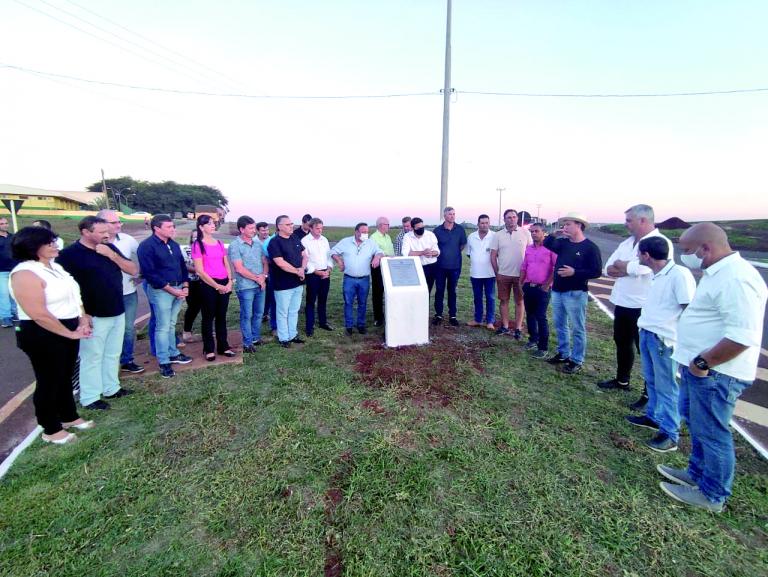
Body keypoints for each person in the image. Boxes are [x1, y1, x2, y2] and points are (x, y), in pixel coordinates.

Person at [658, 223, 767, 512]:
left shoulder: (737, 278)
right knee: (697, 425)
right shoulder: (717, 273)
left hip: (717, 373)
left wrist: (704, 362)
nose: (685, 256)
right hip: (702, 370)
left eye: (688, 251)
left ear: (706, 248)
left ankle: (713, 494)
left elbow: (743, 336)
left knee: (713, 432)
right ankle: (696, 474)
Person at [9, 227, 94, 444]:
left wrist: (83, 319)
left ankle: (69, 416)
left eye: (54, 241)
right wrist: (69, 333)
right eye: (49, 243)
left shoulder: (55, 267)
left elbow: (75, 297)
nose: (55, 245)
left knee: (65, 375)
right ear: (32, 247)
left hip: (68, 325)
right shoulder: (25, 273)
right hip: (41, 332)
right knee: (48, 379)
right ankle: (50, 427)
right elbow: (38, 313)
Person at [57, 216, 137, 410]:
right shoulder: (70, 255)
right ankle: (90, 397)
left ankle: (111, 388)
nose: (107, 234)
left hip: (117, 309)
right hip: (93, 314)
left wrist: (112, 255)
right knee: (92, 356)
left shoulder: (109, 248)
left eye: (107, 231)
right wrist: (82, 314)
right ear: (86, 232)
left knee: (112, 353)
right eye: (101, 232)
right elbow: (65, 288)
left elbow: (133, 269)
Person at [624, 236, 695, 453]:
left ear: (646, 255)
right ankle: (653, 416)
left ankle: (670, 434)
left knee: (667, 387)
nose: (637, 257)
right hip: (648, 332)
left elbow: (689, 310)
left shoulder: (679, 275)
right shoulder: (658, 275)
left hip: (664, 339)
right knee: (652, 381)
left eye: (639, 253)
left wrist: (687, 343)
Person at [600, 205, 673, 405]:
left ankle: (649, 395)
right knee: (622, 342)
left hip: (645, 305)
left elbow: (645, 270)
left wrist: (626, 267)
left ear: (643, 220)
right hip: (623, 302)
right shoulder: (627, 243)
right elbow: (608, 268)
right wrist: (628, 268)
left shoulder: (661, 242)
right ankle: (622, 379)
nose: (626, 224)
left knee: (647, 352)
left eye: (629, 220)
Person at [543, 213, 602, 375]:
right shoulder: (563, 243)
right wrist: (554, 234)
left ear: (579, 225)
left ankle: (577, 360)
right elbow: (548, 243)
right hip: (558, 291)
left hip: (575, 293)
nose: (565, 227)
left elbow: (596, 271)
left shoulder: (590, 247)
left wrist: (574, 272)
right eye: (564, 224)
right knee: (560, 324)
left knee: (577, 327)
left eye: (568, 224)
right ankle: (563, 353)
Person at [137, 215, 193, 378]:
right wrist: (171, 290)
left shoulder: (173, 245)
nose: (172, 229)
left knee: (171, 324)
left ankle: (173, 353)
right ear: (157, 228)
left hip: (178, 288)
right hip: (162, 291)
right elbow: (149, 273)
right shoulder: (147, 246)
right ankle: (164, 361)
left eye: (173, 226)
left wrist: (185, 285)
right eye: (169, 227)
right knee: (162, 326)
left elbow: (182, 267)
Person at [97, 210, 144, 374]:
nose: (119, 225)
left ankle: (127, 360)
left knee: (128, 328)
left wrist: (141, 275)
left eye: (119, 222)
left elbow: (143, 255)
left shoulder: (127, 240)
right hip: (103, 295)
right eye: (114, 222)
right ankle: (106, 363)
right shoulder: (92, 244)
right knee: (104, 329)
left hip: (128, 292)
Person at [191, 214, 235, 361]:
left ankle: (224, 346)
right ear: (201, 227)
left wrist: (229, 281)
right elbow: (200, 271)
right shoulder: (198, 245)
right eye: (209, 223)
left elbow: (226, 264)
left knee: (221, 317)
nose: (213, 225)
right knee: (208, 317)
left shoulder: (219, 243)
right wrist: (216, 286)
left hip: (224, 282)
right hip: (209, 284)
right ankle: (208, 349)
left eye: (213, 223)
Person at [332, 223, 383, 335]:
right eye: (363, 232)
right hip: (349, 279)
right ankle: (349, 326)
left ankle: (361, 325)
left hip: (364, 279)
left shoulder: (370, 243)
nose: (365, 234)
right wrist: (339, 261)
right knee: (348, 302)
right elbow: (333, 251)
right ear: (356, 232)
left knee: (362, 303)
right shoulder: (346, 242)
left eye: (367, 232)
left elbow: (380, 251)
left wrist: (377, 257)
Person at [229, 215, 269, 352]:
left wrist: (263, 276)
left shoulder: (258, 243)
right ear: (241, 229)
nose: (254, 230)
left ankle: (255, 338)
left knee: (259, 313)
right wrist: (257, 278)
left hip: (260, 284)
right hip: (246, 286)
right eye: (251, 228)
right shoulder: (235, 246)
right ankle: (247, 343)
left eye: (254, 227)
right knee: (247, 314)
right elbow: (239, 268)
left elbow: (265, 261)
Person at [490, 209, 532, 338]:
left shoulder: (525, 233)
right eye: (509, 217)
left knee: (519, 301)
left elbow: (530, 253)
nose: (512, 219)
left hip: (520, 275)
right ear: (504, 219)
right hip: (503, 274)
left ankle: (518, 328)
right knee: (504, 301)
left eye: (514, 217)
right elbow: (493, 255)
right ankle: (505, 326)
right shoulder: (498, 235)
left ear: (517, 219)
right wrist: (497, 273)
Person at [268, 215, 307, 347]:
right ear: (279, 226)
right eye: (288, 224)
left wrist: (302, 268)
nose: (292, 226)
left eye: (292, 224)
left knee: (294, 310)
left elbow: (304, 255)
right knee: (282, 311)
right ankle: (283, 338)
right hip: (283, 284)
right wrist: (298, 271)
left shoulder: (295, 238)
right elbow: (280, 263)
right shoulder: (274, 242)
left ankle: (293, 334)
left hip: (298, 282)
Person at [519, 223, 557, 358]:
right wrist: (521, 283)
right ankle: (532, 340)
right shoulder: (528, 249)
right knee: (530, 314)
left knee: (541, 316)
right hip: (529, 286)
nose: (534, 233)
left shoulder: (550, 249)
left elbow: (555, 268)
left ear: (543, 233)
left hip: (543, 288)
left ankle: (543, 347)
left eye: (537, 231)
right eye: (532, 231)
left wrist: (547, 285)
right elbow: (524, 267)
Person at [432, 207, 467, 326]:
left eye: (454, 214)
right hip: (440, 267)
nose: (452, 216)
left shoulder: (460, 230)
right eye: (450, 214)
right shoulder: (437, 231)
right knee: (440, 291)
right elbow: (434, 246)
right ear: (444, 216)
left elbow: (462, 245)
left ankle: (453, 315)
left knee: (452, 291)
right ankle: (438, 314)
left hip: (455, 267)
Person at [301, 217, 334, 336]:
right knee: (311, 301)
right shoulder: (305, 241)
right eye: (317, 228)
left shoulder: (324, 240)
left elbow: (328, 256)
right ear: (310, 228)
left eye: (321, 228)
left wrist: (329, 268)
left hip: (325, 273)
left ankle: (323, 322)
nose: (320, 231)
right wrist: (316, 271)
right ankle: (309, 327)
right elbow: (305, 259)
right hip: (313, 275)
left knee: (323, 299)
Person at [465, 214, 496, 330]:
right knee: (477, 297)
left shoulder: (494, 236)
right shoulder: (471, 237)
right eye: (482, 223)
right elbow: (469, 253)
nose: (484, 225)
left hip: (490, 273)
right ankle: (477, 319)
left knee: (490, 297)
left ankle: (490, 321)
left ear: (489, 224)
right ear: (478, 224)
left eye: (486, 223)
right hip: (475, 273)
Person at [401, 217, 440, 291]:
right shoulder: (407, 237)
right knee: (416, 291)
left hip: (431, 266)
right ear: (413, 228)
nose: (421, 229)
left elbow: (437, 251)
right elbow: (405, 253)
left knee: (428, 290)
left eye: (422, 227)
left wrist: (431, 253)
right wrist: (422, 252)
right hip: (415, 267)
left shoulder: (430, 235)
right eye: (418, 228)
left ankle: (426, 302)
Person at [370, 216, 394, 327]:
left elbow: (390, 251)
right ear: (381, 225)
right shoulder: (373, 238)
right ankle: (378, 317)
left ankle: (389, 314)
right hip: (378, 269)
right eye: (387, 224)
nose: (389, 226)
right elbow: (374, 253)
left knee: (389, 291)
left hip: (389, 267)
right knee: (378, 293)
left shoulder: (388, 237)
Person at [182, 230, 203, 343]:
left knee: (206, 306)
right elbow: (184, 265)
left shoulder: (206, 248)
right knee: (193, 307)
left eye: (198, 237)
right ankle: (187, 331)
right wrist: (200, 270)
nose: (196, 239)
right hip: (191, 282)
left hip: (205, 281)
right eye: (194, 237)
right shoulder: (185, 249)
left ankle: (207, 330)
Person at [256, 222, 277, 332]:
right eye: (263, 230)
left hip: (271, 271)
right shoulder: (255, 242)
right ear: (258, 231)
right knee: (260, 294)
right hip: (259, 272)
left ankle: (265, 313)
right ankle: (260, 314)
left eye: (267, 230)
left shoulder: (272, 240)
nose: (265, 232)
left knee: (270, 294)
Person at [0, 216, 18, 327]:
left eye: (6, 223)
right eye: (2, 223)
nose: (5, 225)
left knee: (13, 293)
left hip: (14, 269)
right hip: (1, 271)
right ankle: (5, 317)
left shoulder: (13, 237)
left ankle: (13, 313)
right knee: (3, 294)